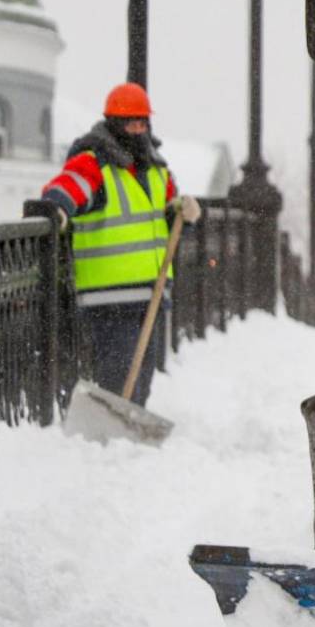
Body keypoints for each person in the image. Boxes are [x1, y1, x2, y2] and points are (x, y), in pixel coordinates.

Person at [41, 82, 201, 406]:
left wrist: (181, 212)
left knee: (142, 371)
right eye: (131, 123)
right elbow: (67, 187)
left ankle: (129, 426)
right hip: (109, 293)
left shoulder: (156, 169)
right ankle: (113, 433)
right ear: (114, 124)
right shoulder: (94, 162)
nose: (138, 130)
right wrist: (55, 209)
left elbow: (164, 217)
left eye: (143, 122)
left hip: (151, 291)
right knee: (118, 370)